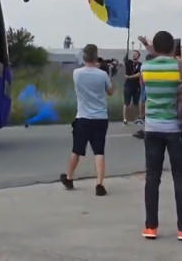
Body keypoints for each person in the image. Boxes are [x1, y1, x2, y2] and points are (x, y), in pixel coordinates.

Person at [140, 31, 182, 241]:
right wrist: (181, 63)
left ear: (154, 48)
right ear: (173, 48)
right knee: (180, 178)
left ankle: (150, 227)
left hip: (152, 127)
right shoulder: (180, 67)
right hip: (175, 128)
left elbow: (145, 88)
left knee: (152, 177)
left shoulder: (145, 67)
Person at [61, 44, 113, 196]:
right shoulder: (103, 75)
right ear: (96, 57)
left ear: (84, 57)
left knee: (77, 150)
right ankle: (99, 183)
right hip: (100, 117)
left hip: (83, 117)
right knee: (99, 151)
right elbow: (110, 91)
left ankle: (69, 177)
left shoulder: (76, 73)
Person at [123, 50, 143, 125]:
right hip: (128, 86)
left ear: (138, 56)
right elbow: (125, 59)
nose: (134, 55)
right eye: (133, 54)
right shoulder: (129, 62)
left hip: (136, 86)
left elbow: (139, 74)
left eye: (136, 54)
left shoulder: (141, 65)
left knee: (136, 103)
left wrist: (129, 77)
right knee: (126, 103)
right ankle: (125, 119)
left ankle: (137, 119)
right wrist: (127, 52)